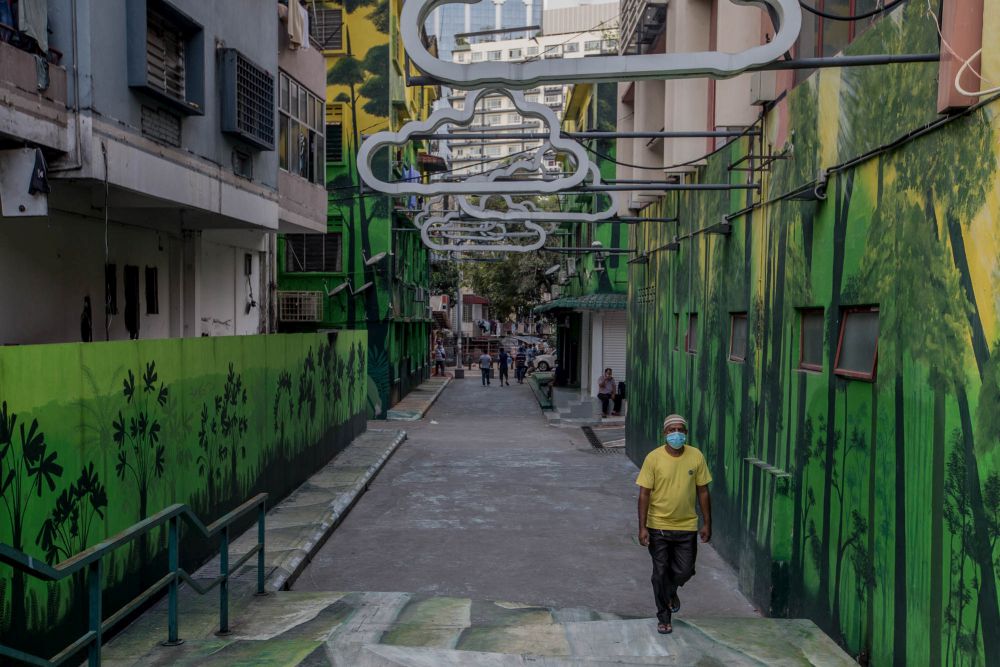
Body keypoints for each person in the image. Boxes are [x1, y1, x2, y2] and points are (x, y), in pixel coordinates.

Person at [636, 414, 712, 636]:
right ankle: (664, 616)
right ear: (665, 433)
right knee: (660, 572)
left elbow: (703, 491)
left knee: (685, 570)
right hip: (658, 525)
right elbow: (644, 494)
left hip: (687, 526)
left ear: (686, 434)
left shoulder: (696, 456)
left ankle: (670, 591)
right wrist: (642, 527)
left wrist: (707, 523)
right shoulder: (653, 458)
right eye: (672, 430)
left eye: (680, 429)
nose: (676, 434)